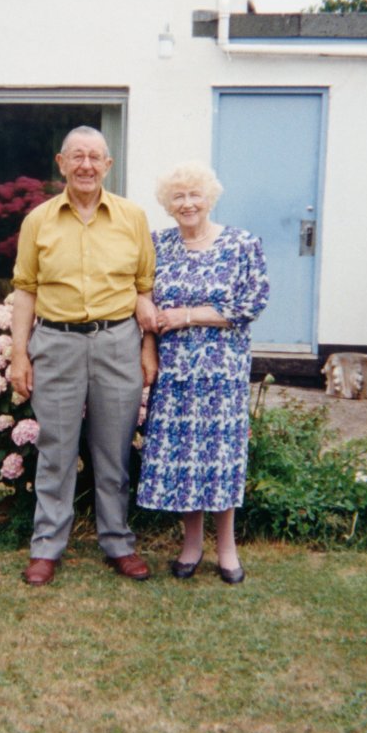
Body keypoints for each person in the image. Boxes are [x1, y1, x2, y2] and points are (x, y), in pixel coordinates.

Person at [8, 126, 159, 587]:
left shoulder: (132, 217)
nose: (86, 165)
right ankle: (47, 547)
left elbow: (144, 287)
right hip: (57, 344)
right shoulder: (39, 220)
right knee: (55, 450)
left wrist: (147, 348)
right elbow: (25, 289)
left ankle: (118, 542)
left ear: (108, 165)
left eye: (95, 157)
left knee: (113, 450)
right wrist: (19, 355)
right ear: (61, 163)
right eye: (77, 156)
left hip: (118, 343)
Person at [138, 161, 269, 584]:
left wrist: (187, 316)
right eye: (179, 196)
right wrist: (151, 347)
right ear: (168, 204)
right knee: (184, 456)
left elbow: (250, 304)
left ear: (209, 198)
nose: (188, 203)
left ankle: (227, 548)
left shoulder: (241, 244)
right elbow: (145, 303)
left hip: (221, 370)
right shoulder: (158, 245)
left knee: (221, 455)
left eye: (195, 195)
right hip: (175, 371)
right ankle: (191, 544)